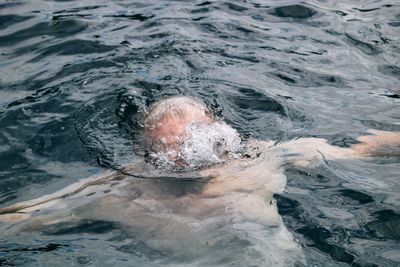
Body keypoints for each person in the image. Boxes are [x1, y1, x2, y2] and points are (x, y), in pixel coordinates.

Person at [0, 96, 399, 266]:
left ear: (217, 131)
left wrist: (387, 144)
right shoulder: (120, 189)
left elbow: (353, 155)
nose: (182, 154)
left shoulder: (262, 157)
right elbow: (20, 220)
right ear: (145, 149)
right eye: (166, 144)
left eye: (191, 139)